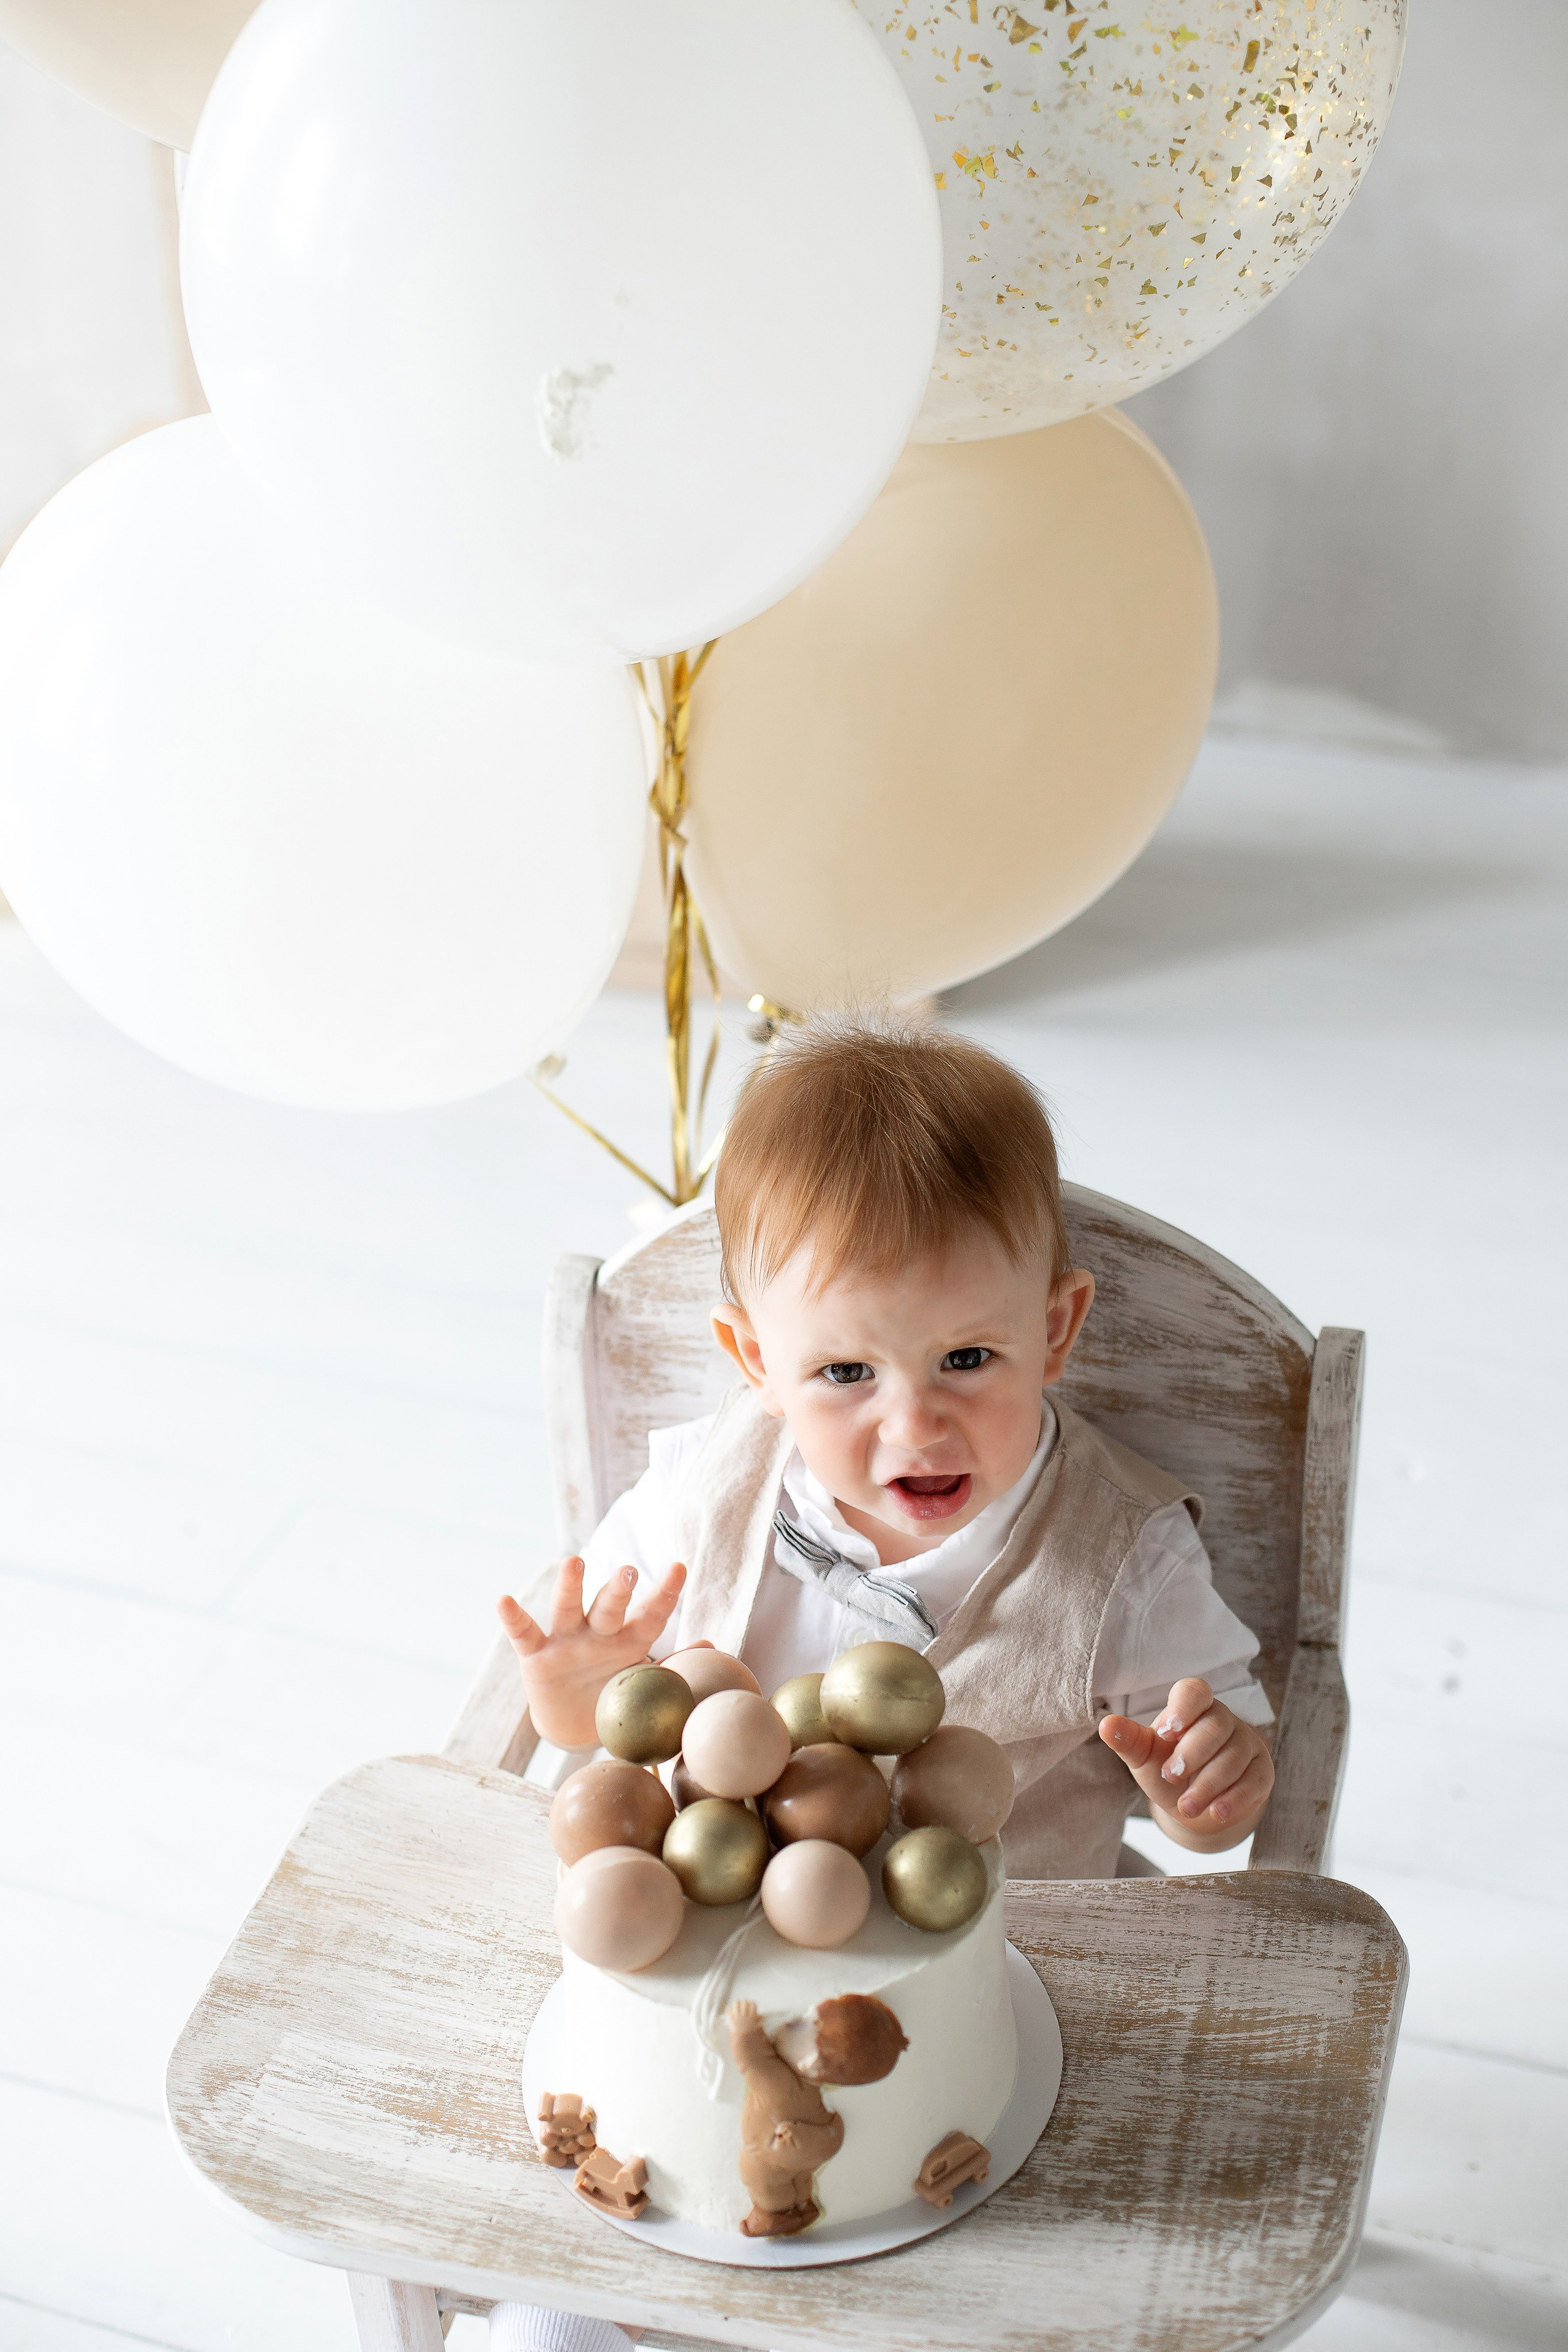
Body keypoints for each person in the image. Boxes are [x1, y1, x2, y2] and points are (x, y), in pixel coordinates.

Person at [488, 1016, 1276, 2352]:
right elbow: (597, 1740)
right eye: (844, 1373)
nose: (913, 1422)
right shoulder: (701, 1490)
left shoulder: (1122, 1555)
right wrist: (576, 1691)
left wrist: (1208, 1784)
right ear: (755, 1361)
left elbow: (1217, 1798)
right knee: (555, 2307)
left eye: (966, 1359)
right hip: (702, 2009)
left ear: (1055, 1327)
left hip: (1009, 2013)